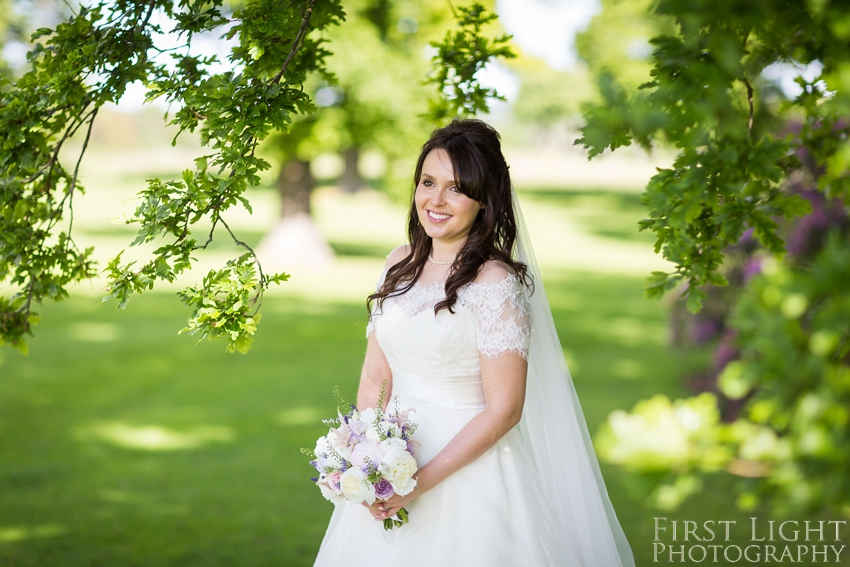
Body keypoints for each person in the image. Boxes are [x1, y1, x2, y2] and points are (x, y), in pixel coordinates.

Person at [313, 119, 635, 567]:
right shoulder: (398, 263)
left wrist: (417, 484)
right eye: (428, 182)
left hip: (471, 470)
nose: (436, 200)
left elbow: (505, 409)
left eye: (456, 188)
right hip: (392, 457)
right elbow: (375, 374)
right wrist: (366, 462)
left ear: (483, 201)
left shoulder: (494, 281)